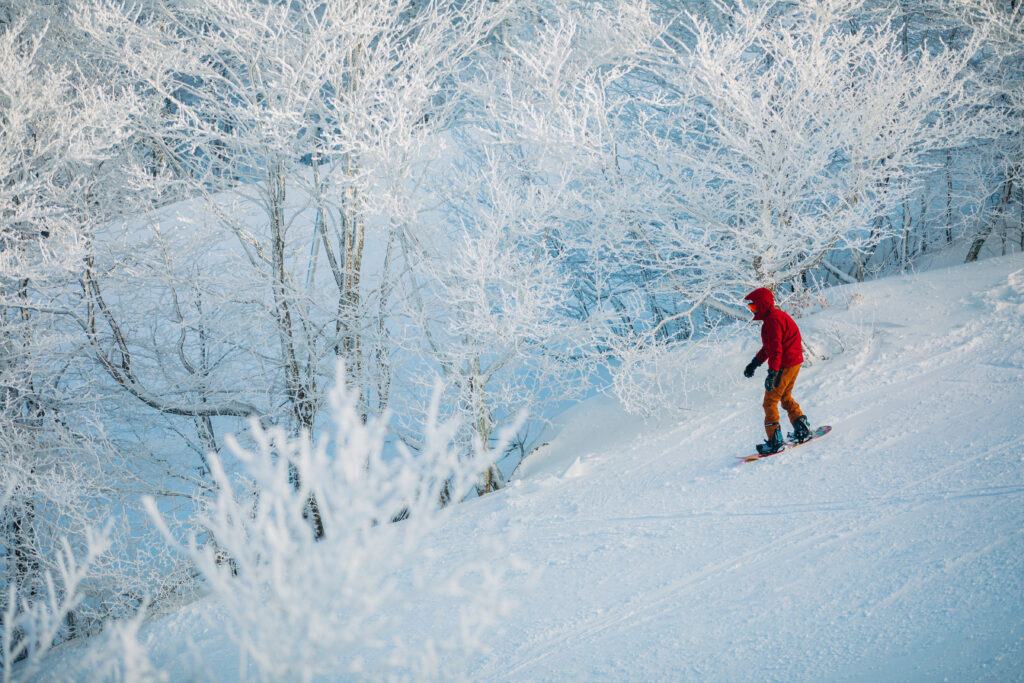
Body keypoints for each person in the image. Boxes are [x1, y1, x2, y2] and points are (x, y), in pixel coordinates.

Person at [742, 287, 811, 454]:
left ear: (763, 305)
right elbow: (769, 348)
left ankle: (775, 441)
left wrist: (772, 373)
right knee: (785, 397)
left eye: (754, 306)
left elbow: (776, 351)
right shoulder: (774, 318)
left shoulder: (773, 321)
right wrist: (754, 363)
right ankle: (802, 429)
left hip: (785, 364)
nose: (753, 310)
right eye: (751, 308)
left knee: (769, 402)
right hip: (794, 362)